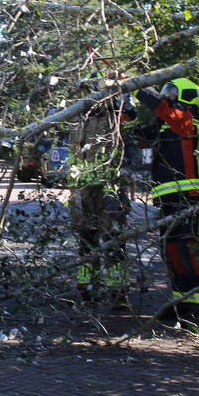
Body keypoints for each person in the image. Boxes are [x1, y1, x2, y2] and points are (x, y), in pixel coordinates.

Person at [134, 77, 199, 324]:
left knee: (191, 253)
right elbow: (141, 136)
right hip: (168, 198)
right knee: (172, 253)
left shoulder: (186, 120)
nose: (166, 95)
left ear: (186, 96)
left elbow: (157, 104)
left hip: (189, 198)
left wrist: (133, 83)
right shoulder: (167, 124)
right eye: (165, 91)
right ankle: (182, 304)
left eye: (171, 91)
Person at [69, 81, 137, 307]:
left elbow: (131, 115)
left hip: (111, 186)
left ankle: (118, 291)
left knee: (114, 240)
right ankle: (86, 289)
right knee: (86, 240)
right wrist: (73, 191)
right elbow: (74, 152)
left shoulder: (117, 113)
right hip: (85, 188)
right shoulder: (79, 116)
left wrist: (118, 94)